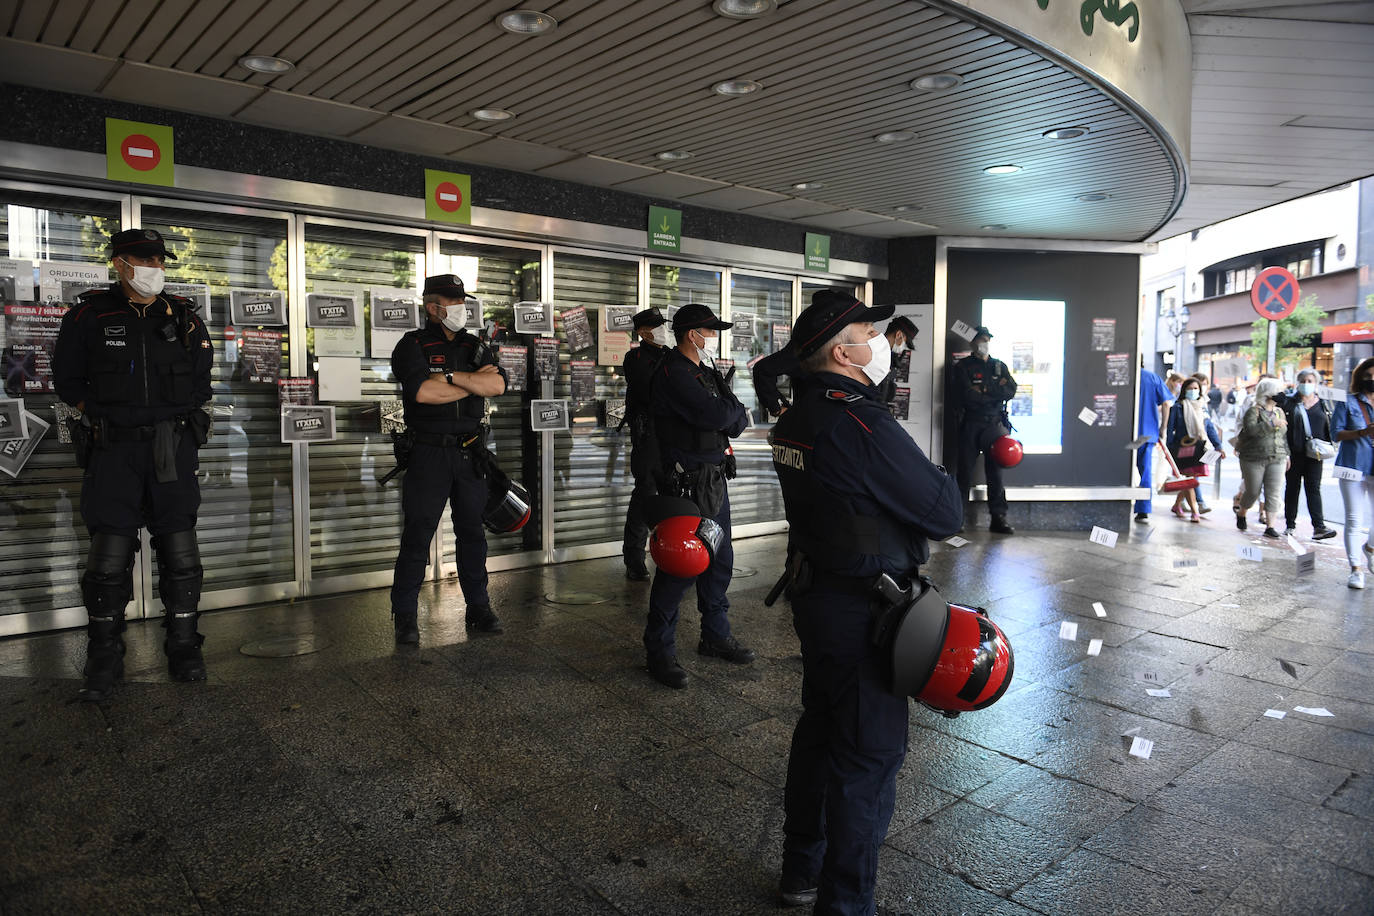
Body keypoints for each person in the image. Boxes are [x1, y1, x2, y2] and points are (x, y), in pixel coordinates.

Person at [769, 292, 961, 913]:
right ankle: (845, 904)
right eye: (865, 331)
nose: (877, 340)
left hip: (818, 592)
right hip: (864, 610)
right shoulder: (860, 420)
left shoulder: (798, 415)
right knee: (868, 755)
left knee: (822, 730)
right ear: (842, 351)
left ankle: (801, 868)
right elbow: (944, 511)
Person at [52, 228, 214, 701]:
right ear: (119, 264)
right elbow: (66, 380)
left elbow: (202, 383)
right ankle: (105, 654)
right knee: (109, 553)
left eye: (160, 261)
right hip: (114, 450)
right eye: (144, 260)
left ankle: (184, 648)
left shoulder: (182, 316)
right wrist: (109, 416)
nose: (154, 269)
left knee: (180, 548)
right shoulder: (88, 315)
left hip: (171, 445)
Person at [389, 274, 507, 644]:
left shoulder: (475, 345)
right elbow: (423, 393)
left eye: (462, 302)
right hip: (428, 453)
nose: (460, 308)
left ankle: (478, 607)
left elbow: (498, 385)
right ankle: (405, 614)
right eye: (452, 302)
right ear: (432, 307)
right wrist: (470, 382)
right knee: (418, 533)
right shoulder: (412, 345)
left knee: (472, 532)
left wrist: (451, 378)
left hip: (470, 452)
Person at [643, 303, 754, 689]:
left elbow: (736, 415)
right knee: (681, 566)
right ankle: (658, 652)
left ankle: (715, 635)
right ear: (692, 334)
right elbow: (719, 416)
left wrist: (731, 412)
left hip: (712, 478)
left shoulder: (703, 371)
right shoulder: (674, 372)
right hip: (686, 481)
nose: (713, 337)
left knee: (720, 558)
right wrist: (730, 412)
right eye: (709, 331)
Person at [752, 298, 915, 417]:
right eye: (868, 331)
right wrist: (778, 409)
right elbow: (764, 369)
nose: (876, 336)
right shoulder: (811, 352)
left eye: (872, 329)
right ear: (841, 352)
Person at [950, 326, 1017, 533]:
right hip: (971, 423)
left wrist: (985, 389)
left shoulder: (999, 366)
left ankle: (998, 518)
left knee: (995, 474)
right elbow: (966, 395)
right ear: (972, 343)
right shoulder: (963, 366)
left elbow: (1011, 390)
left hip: (994, 425)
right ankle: (957, 519)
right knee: (964, 473)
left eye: (986, 339)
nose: (983, 343)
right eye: (980, 339)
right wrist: (994, 392)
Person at [620, 307, 670, 581]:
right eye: (655, 326)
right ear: (642, 332)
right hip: (648, 436)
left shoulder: (669, 355)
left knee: (674, 494)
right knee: (646, 494)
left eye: (662, 325)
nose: (662, 330)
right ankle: (634, 558)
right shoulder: (636, 357)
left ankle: (671, 549)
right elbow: (652, 389)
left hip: (671, 435)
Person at [1331, 357, 1374, 589]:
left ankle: (1369, 548)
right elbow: (1335, 433)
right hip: (1351, 464)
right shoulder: (1347, 402)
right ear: (1359, 378)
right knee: (1354, 518)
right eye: (1367, 376)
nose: (1372, 380)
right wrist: (1362, 432)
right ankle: (1355, 569)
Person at [1284, 368, 1337, 541]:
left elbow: (1331, 425)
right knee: (1292, 488)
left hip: (1315, 454)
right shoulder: (1290, 403)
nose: (1306, 384)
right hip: (1294, 453)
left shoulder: (1324, 404)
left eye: (1310, 381)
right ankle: (1290, 524)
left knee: (1313, 488)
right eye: (1303, 381)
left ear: (1316, 383)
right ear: (1297, 382)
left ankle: (1319, 526)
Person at [1233, 377, 1289, 539]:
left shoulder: (1279, 411)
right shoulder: (1254, 411)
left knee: (1273, 492)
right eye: (1278, 391)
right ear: (1268, 393)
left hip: (1278, 457)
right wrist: (1271, 424)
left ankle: (1270, 526)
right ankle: (1242, 512)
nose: (1281, 394)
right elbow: (1250, 430)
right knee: (1253, 491)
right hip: (1253, 457)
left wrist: (1287, 454)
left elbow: (1283, 437)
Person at [1164, 376, 1224, 522]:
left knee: (1190, 479)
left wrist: (1218, 446)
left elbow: (1209, 428)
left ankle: (1177, 505)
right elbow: (1170, 430)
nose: (1193, 391)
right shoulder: (1177, 407)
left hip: (1199, 448)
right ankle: (1195, 511)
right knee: (1190, 479)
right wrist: (1169, 451)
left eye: (1195, 388)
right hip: (1182, 449)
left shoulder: (1202, 407)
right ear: (1184, 390)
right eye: (1190, 389)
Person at [1134, 362, 1175, 523]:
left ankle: (1117, 502)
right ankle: (1143, 509)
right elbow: (1166, 403)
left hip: (1123, 433)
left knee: (1121, 470)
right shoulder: (1152, 378)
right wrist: (1163, 427)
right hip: (1145, 433)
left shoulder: (1119, 374)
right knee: (1145, 471)